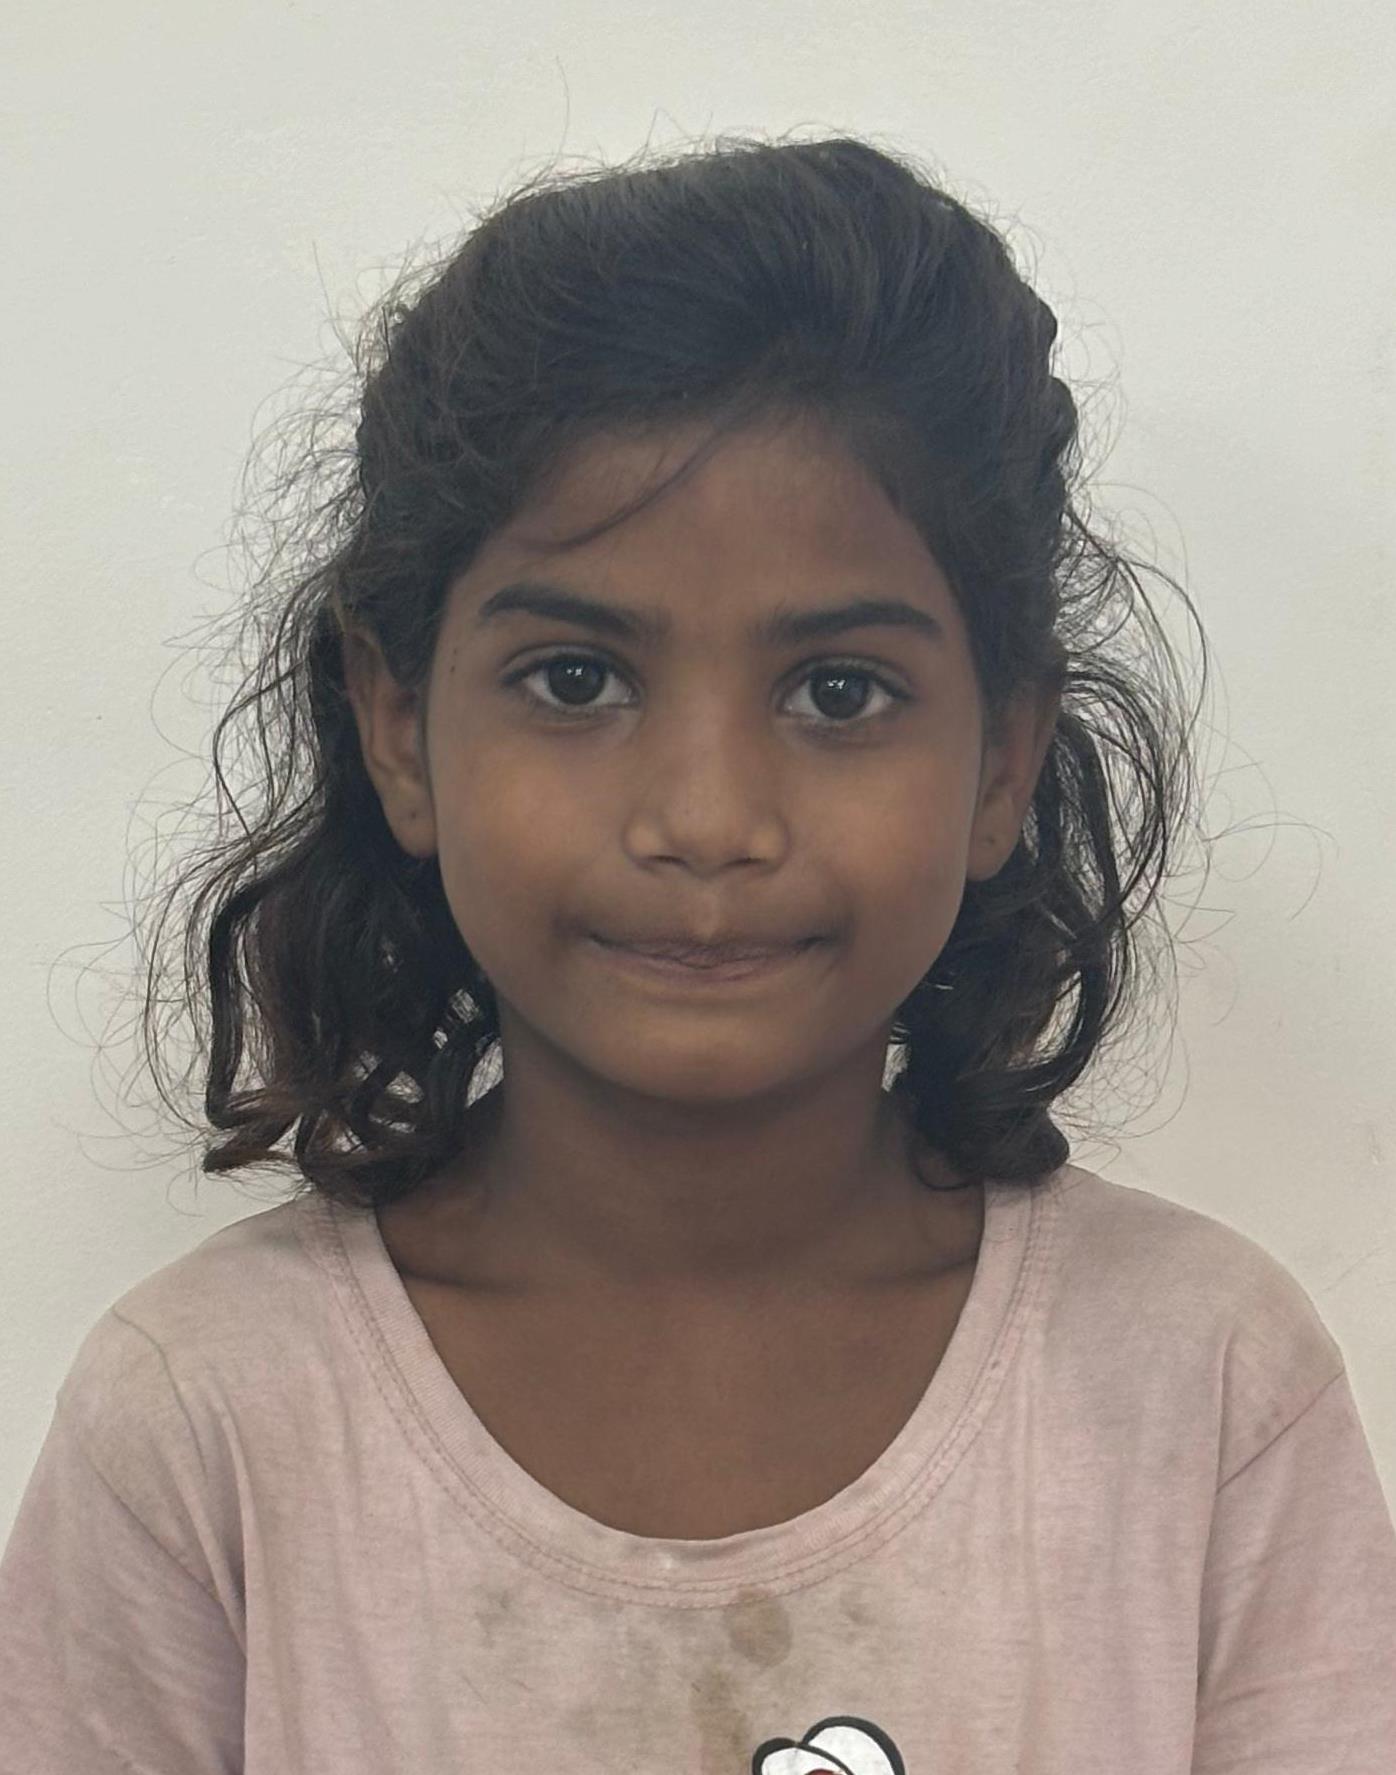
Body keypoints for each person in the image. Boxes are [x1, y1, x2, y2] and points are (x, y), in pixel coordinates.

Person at [1, 133, 1392, 1773]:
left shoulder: (1201, 1385)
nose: (709, 818)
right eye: (576, 680)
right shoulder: (206, 1418)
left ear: (1003, 760)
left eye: (839, 693)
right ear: (397, 728)